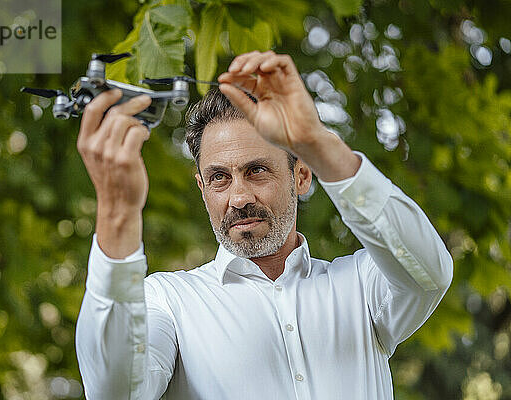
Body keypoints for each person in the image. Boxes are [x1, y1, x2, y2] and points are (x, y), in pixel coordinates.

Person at [75, 50, 453, 399]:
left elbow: (428, 273)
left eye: (256, 171)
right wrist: (118, 210)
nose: (239, 198)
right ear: (202, 188)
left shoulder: (360, 285)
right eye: (220, 178)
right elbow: (115, 391)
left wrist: (315, 142)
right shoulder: (167, 301)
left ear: (302, 176)